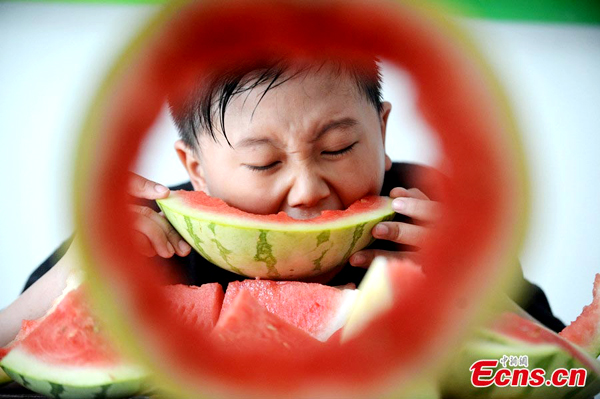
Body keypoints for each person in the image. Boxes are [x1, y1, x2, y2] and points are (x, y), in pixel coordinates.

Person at [0, 58, 564, 348]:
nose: (307, 190)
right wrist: (73, 278)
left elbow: (551, 378)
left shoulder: (436, 217)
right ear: (194, 170)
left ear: (384, 132)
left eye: (338, 148)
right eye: (264, 163)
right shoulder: (144, 237)